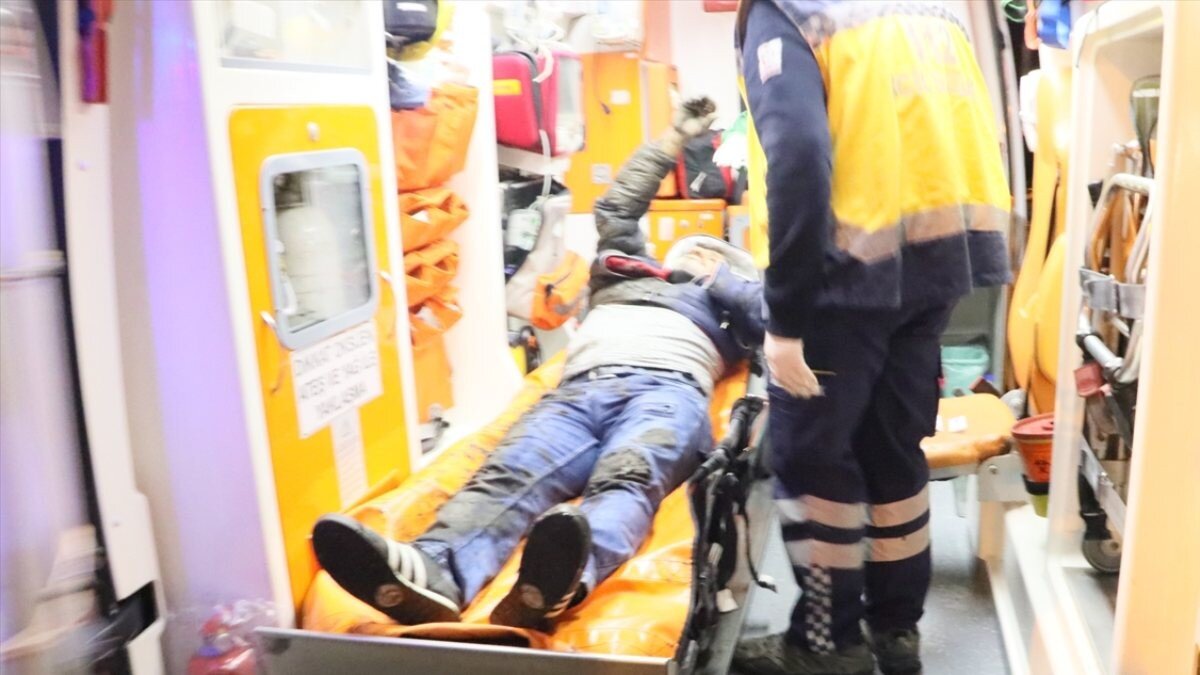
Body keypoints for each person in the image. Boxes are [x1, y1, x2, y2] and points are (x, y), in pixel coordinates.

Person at [312, 98, 767, 631]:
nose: (699, 256)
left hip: (665, 394)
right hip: (577, 393)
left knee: (628, 478)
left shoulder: (728, 308)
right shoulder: (624, 271)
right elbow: (618, 207)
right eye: (693, 250)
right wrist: (673, 137)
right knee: (507, 475)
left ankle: (557, 585)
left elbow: (775, 319)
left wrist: (720, 280)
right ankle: (433, 573)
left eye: (713, 254)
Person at [733, 2, 1012, 674]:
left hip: (843, 276)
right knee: (894, 449)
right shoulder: (933, 10)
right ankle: (896, 629)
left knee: (812, 462)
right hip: (938, 261)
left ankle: (826, 644)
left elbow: (798, 157)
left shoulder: (786, 13)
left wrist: (785, 318)